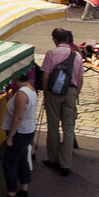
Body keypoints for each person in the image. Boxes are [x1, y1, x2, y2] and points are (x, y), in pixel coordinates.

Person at [40, 28, 84, 177]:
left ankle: (53, 159)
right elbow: (80, 79)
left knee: (53, 125)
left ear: (55, 40)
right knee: (68, 128)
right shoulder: (77, 56)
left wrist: (46, 94)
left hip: (53, 92)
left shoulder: (51, 54)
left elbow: (45, 76)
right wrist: (75, 94)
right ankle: (65, 163)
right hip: (70, 92)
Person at [0, 71, 37, 197]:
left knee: (10, 163)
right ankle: (24, 190)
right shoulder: (30, 89)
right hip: (27, 130)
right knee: (21, 160)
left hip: (19, 133)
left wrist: (10, 136)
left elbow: (18, 116)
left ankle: (11, 196)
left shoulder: (22, 93)